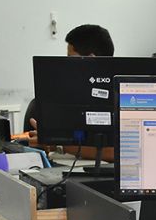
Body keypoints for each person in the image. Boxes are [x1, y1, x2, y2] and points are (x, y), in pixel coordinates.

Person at [23, 24, 116, 162]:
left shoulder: (120, 98)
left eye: (71, 57)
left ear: (90, 60)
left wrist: (59, 144)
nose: (67, 63)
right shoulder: (62, 99)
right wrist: (44, 143)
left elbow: (117, 153)